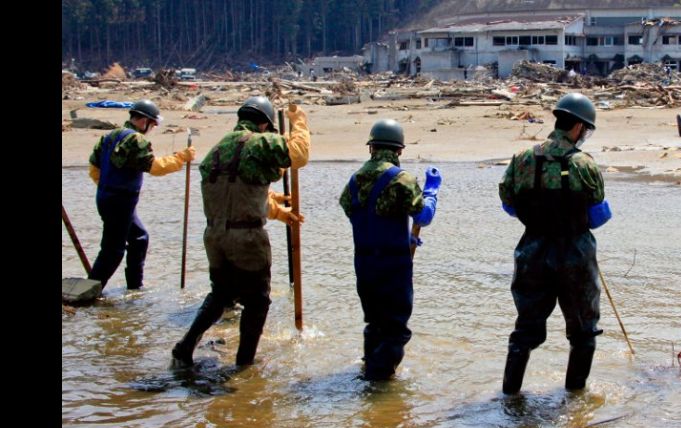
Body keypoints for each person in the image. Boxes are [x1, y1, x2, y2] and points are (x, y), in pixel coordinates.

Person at [171, 96, 310, 368]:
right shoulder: (258, 143)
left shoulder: (217, 150)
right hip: (246, 239)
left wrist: (278, 212)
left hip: (215, 237)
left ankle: (184, 348)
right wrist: (299, 122)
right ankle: (244, 364)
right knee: (257, 301)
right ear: (263, 125)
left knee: (221, 294)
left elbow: (239, 194)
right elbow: (299, 154)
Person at [498, 93, 612, 394]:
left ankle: (510, 396)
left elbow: (508, 205)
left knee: (525, 328)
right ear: (577, 127)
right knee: (583, 331)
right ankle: (575, 400)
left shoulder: (522, 159)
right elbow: (598, 216)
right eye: (586, 130)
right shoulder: (585, 165)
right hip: (575, 255)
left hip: (532, 253)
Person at [339, 119, 442, 380]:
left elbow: (362, 217)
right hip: (393, 265)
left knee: (374, 323)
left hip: (364, 264)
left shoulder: (354, 181)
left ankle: (368, 370)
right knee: (395, 328)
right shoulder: (401, 180)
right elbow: (424, 217)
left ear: (371, 148)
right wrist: (432, 192)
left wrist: (403, 237)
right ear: (399, 150)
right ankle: (380, 386)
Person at [87, 99, 196, 290]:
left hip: (107, 198)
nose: (151, 128)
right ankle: (90, 289)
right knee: (113, 250)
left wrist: (108, 189)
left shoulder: (109, 137)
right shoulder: (136, 140)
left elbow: (94, 169)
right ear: (144, 121)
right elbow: (154, 167)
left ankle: (135, 289)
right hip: (120, 202)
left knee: (139, 239)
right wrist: (180, 158)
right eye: (152, 124)